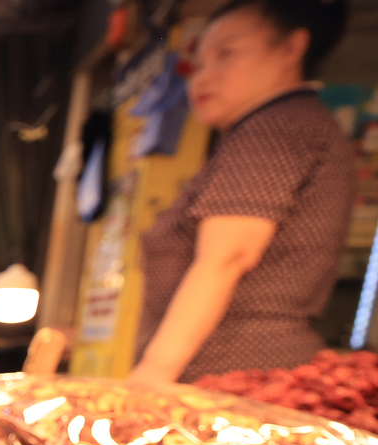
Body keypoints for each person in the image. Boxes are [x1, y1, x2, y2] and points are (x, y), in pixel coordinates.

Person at [130, 0, 354, 384]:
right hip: (239, 375)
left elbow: (227, 257)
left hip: (237, 378)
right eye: (198, 65)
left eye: (226, 54)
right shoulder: (280, 125)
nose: (203, 78)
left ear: (291, 48)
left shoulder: (275, 126)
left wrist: (150, 378)